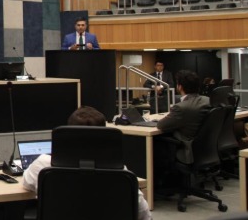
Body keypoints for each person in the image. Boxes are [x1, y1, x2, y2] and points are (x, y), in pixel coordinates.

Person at [22, 106, 151, 220]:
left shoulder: (44, 165)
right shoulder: (121, 173)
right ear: (105, 136)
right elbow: (144, 214)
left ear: (67, 134)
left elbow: (26, 183)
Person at [156, 70, 210, 165]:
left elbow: (161, 125)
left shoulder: (181, 107)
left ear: (179, 87)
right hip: (205, 147)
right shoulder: (208, 100)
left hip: (186, 148)